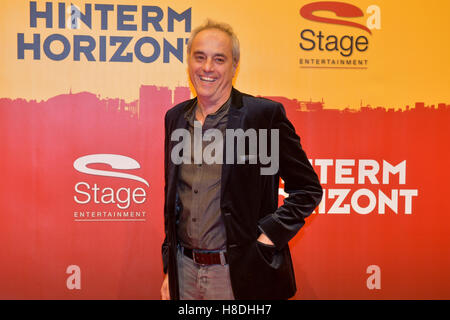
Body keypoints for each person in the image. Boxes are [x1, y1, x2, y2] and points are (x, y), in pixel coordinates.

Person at [161, 19, 322, 300]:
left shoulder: (261, 117)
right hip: (183, 272)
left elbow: (307, 190)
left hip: (238, 275)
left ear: (234, 65)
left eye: (218, 59)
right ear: (189, 62)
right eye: (200, 57)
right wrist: (169, 270)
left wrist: (266, 239)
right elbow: (175, 199)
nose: (207, 67)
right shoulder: (176, 118)